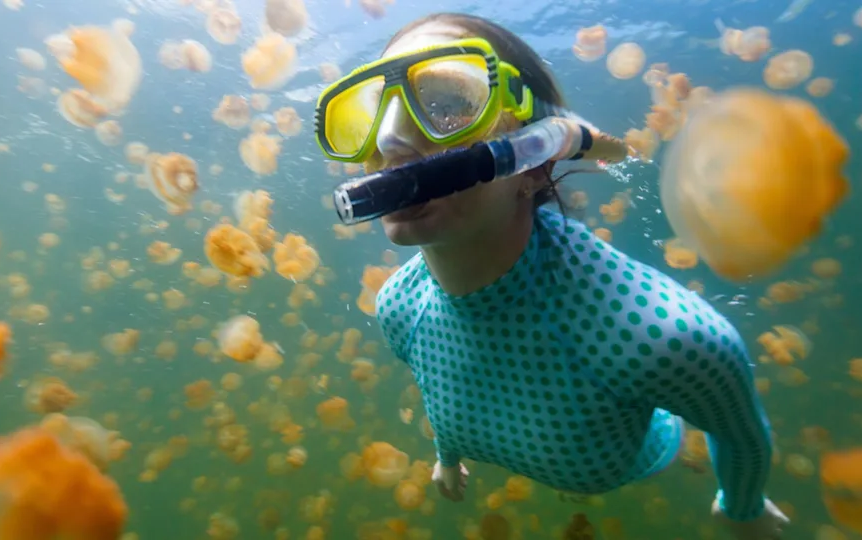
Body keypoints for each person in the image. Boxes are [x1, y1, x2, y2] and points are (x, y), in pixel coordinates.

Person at [314, 12, 789, 540]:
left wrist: (744, 508)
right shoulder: (399, 308)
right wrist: (447, 457)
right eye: (370, 111)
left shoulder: (660, 336)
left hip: (646, 463)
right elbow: (439, 386)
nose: (388, 142)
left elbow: (739, 434)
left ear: (535, 160)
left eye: (447, 104)